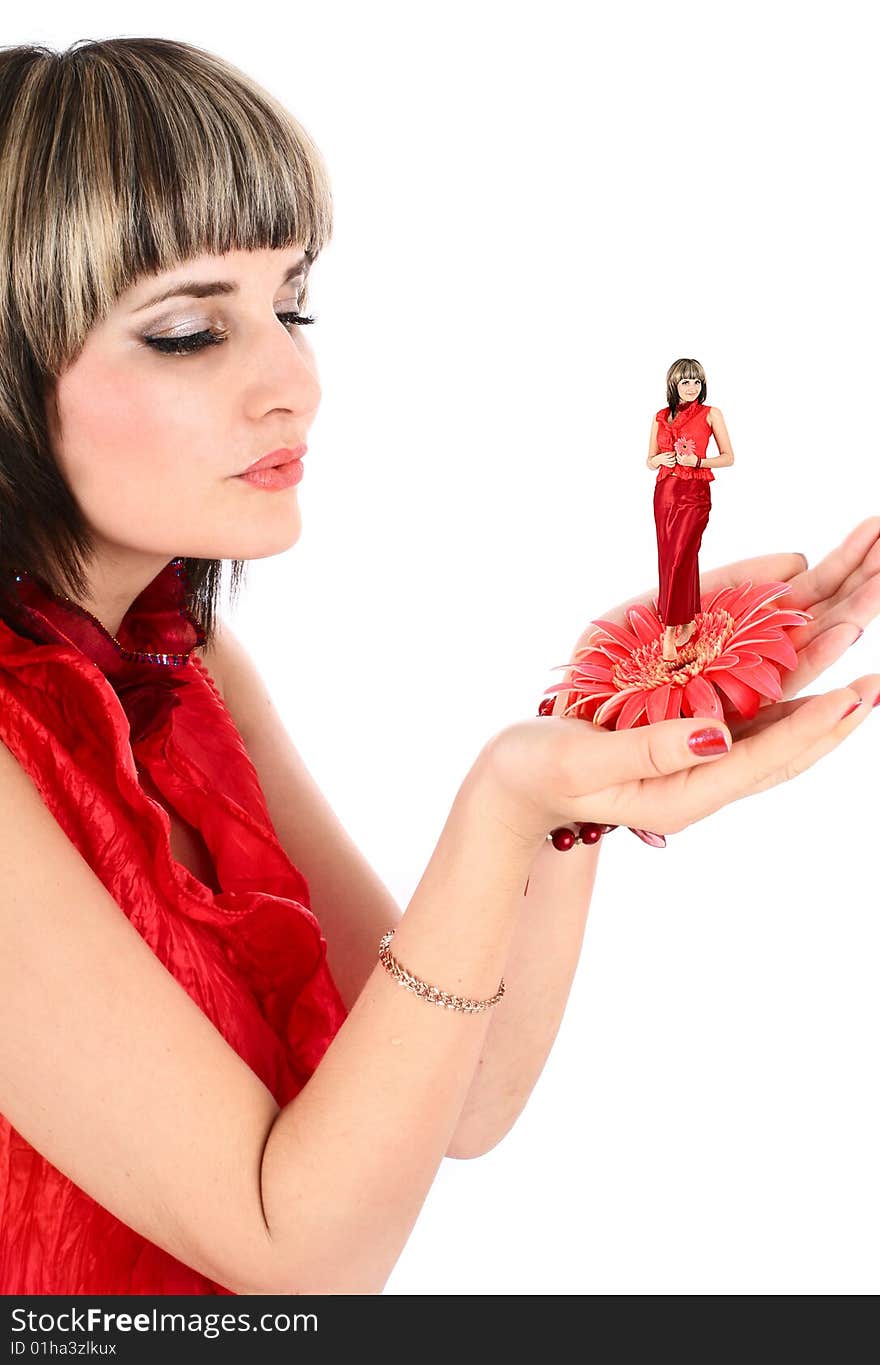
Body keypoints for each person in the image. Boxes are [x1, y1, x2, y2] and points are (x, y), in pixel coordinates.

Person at [0, 36, 878, 1298]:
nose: (294, 382)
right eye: (191, 331)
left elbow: (456, 1101)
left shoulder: (182, 660)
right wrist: (500, 804)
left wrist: (578, 765)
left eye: (291, 305)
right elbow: (298, 1254)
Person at [648, 359, 734, 661]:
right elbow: (649, 460)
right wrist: (661, 460)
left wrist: (697, 462)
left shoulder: (711, 414)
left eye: (697, 381)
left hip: (695, 494)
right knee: (672, 558)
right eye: (685, 382)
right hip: (665, 494)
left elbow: (728, 457)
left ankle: (668, 631)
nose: (692, 387)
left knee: (680, 557)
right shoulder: (661, 417)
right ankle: (687, 618)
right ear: (674, 384)